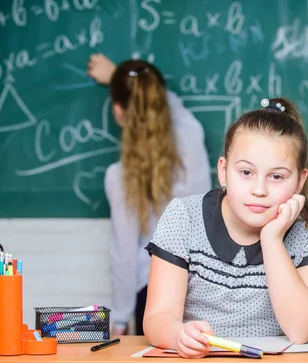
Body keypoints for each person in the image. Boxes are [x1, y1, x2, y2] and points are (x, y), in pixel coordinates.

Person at [143, 97, 308, 358]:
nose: (259, 190)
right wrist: (178, 334)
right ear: (223, 171)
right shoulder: (184, 216)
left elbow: (300, 330)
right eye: (246, 172)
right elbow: (158, 316)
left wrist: (271, 239)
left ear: (300, 181)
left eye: (277, 177)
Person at [87, 54, 212, 336]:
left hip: (154, 294)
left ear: (119, 111)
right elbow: (170, 105)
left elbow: (125, 254)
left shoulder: (120, 177)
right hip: (203, 286)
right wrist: (121, 76)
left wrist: (119, 318)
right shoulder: (191, 135)